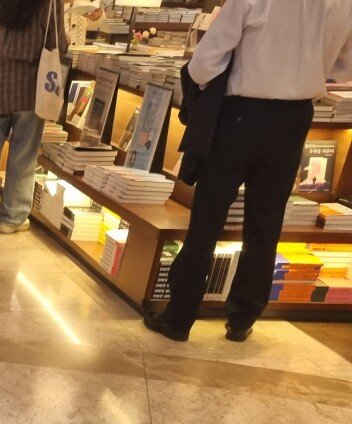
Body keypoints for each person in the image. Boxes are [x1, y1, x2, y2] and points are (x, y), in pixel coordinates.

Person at [146, 0, 352, 343]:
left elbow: (205, 61)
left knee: (208, 218)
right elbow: (345, 69)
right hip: (295, 118)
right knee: (265, 224)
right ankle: (242, 318)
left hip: (240, 115)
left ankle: (179, 317)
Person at [0, 0, 65, 233]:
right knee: (23, 154)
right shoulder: (50, 2)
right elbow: (57, 42)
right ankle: (12, 217)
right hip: (29, 87)